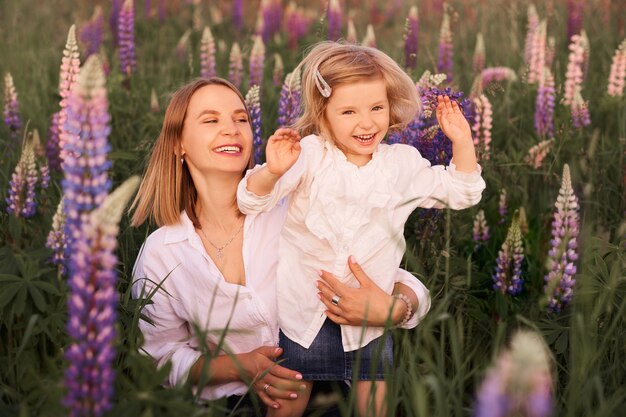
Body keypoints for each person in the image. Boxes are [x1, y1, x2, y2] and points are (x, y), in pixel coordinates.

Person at [130, 77, 431, 415]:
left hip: (329, 394)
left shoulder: (294, 209)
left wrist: (395, 309)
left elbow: (385, 272)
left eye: (240, 118)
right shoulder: (163, 251)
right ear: (177, 144)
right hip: (227, 406)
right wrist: (238, 366)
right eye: (211, 120)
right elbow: (159, 357)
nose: (231, 129)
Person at [237, 41, 486, 417]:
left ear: (391, 107)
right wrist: (272, 171)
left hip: (371, 321)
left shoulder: (401, 165)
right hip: (306, 313)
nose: (367, 122)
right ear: (324, 116)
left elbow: (461, 191)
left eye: (376, 108)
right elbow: (252, 202)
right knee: (288, 405)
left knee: (376, 408)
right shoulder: (310, 156)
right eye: (349, 111)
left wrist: (462, 142)